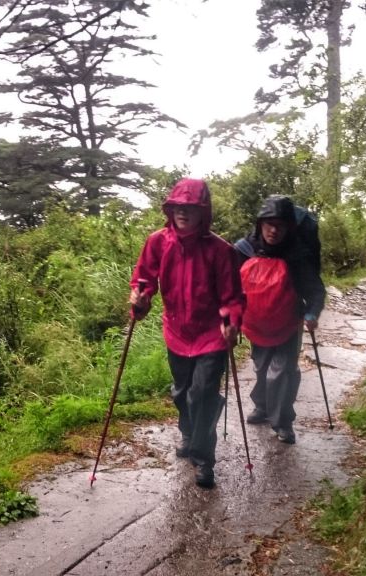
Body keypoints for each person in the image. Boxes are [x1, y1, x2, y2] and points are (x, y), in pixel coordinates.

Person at [129, 178, 243, 489]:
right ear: (171, 209)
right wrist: (140, 300)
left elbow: (232, 297)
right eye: (178, 206)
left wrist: (231, 320)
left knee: (202, 395)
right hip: (176, 332)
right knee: (182, 393)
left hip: (210, 336)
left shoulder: (221, 251)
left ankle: (204, 460)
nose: (183, 212)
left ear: (202, 212)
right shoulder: (158, 242)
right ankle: (189, 432)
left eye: (190, 207)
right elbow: (144, 279)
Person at [235, 195, 326, 444]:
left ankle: (283, 422)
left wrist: (312, 313)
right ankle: (263, 407)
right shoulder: (244, 250)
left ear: (289, 227)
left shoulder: (298, 255)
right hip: (256, 324)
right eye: (269, 224)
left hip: (288, 323)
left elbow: (315, 290)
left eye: (280, 225)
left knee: (282, 371)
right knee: (262, 368)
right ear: (260, 224)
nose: (274, 230)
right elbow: (229, 285)